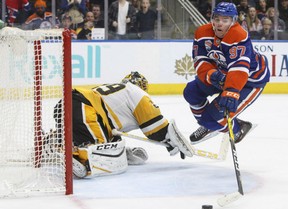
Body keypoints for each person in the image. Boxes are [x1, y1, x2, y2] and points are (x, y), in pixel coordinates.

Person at [53, 72, 193, 178]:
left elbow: (108, 126)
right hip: (82, 108)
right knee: (98, 154)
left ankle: (54, 142)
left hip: (67, 106)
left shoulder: (117, 93)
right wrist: (172, 141)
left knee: (110, 142)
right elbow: (157, 131)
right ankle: (73, 154)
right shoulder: (138, 94)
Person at [183, 2, 270, 145]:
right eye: (216, 19)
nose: (219, 24)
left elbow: (239, 67)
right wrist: (212, 74)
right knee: (191, 92)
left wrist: (231, 91)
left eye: (225, 20)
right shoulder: (202, 33)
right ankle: (209, 125)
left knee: (216, 117)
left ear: (233, 21)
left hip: (250, 80)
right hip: (223, 75)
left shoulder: (239, 34)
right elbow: (200, 60)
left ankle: (238, 128)